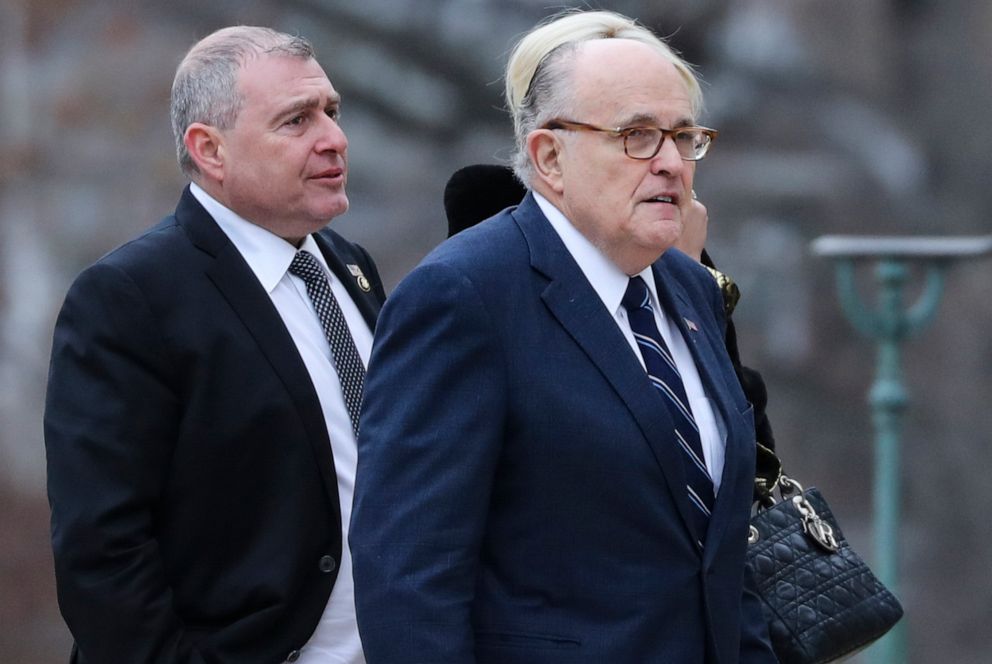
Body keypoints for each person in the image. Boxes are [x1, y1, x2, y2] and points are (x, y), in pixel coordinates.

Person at [350, 9, 778, 663]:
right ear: (550, 156)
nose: (670, 163)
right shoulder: (463, 295)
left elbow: (720, 554)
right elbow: (408, 577)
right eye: (637, 136)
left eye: (684, 136)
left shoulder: (691, 290)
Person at [44, 26, 384, 664]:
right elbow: (102, 552)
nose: (334, 139)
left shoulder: (350, 266)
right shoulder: (127, 297)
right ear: (210, 150)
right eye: (296, 120)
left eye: (332, 112)